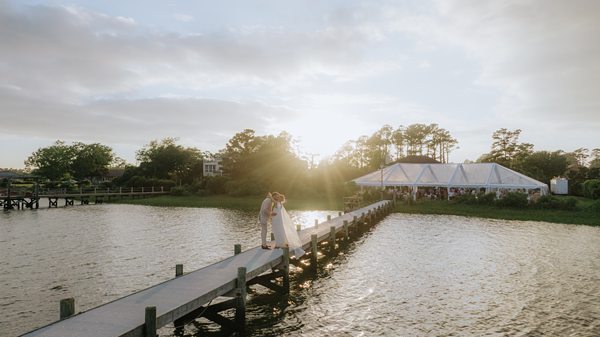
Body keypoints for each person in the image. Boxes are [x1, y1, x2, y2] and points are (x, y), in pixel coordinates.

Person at [270, 192, 305, 258]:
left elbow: (273, 200)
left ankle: (279, 244)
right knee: (278, 231)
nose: (276, 197)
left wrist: (270, 196)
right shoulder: (279, 203)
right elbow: (276, 210)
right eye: (276, 196)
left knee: (278, 231)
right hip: (277, 220)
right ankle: (280, 243)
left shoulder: (277, 203)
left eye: (277, 196)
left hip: (278, 221)